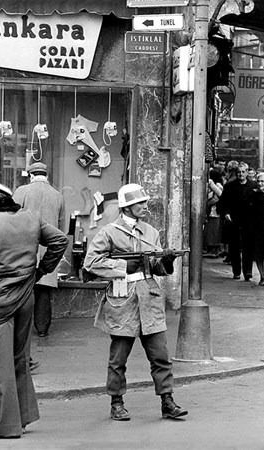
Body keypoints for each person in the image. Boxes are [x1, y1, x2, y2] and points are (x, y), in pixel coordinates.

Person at [0, 178, 68, 439]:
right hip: (26, 295)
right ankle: (23, 416)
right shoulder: (30, 218)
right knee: (20, 358)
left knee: (1, 363)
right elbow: (59, 241)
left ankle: (8, 426)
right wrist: (41, 270)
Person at [83, 183, 188, 422]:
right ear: (126, 207)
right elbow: (90, 263)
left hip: (149, 299)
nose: (144, 206)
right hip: (123, 299)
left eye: (144, 202)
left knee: (160, 356)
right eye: (139, 203)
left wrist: (168, 260)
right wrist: (122, 266)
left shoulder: (151, 232)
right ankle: (116, 402)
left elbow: (158, 268)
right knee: (118, 359)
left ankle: (167, 401)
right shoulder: (109, 233)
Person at [13, 162, 66, 338]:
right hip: (48, 249)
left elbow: (11, 219)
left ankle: (21, 329)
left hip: (24, 247)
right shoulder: (58, 195)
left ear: (31, 175)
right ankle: (42, 329)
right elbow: (61, 228)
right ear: (46, 176)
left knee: (22, 289)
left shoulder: (21, 191)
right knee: (44, 290)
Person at [220, 162, 256, 281]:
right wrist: (226, 213)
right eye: (239, 172)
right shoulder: (230, 186)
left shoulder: (253, 186)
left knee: (248, 247)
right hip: (234, 220)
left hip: (249, 221)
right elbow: (223, 202)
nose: (241, 174)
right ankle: (236, 271)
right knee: (234, 247)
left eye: (243, 172)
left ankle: (248, 272)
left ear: (247, 173)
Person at [203, 170, 224, 257]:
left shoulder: (216, 185)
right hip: (212, 211)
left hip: (215, 211)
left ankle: (214, 250)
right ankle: (211, 249)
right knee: (211, 231)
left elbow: (220, 195)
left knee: (214, 232)